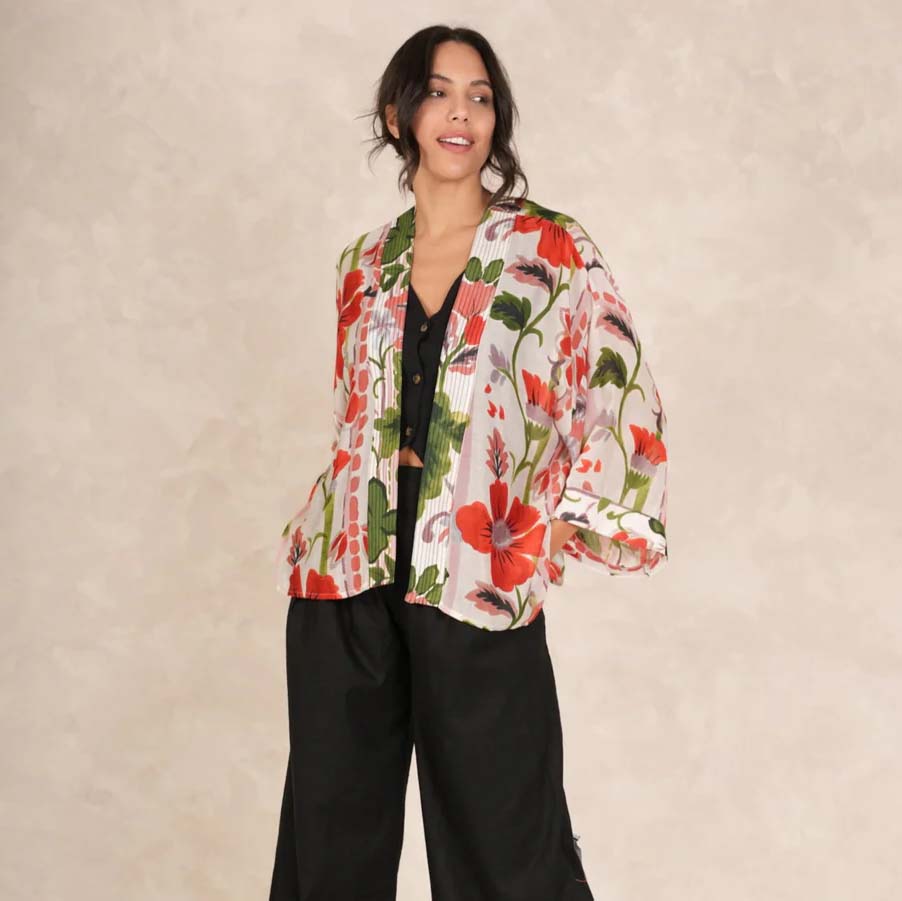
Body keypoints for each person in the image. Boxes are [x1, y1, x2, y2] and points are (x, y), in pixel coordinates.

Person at [269, 23, 669, 901]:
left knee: (508, 840)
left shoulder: (550, 248)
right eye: (440, 94)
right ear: (399, 114)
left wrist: (566, 521)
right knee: (330, 845)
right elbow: (355, 420)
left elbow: (620, 384)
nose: (462, 114)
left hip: (477, 566)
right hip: (348, 574)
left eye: (480, 97)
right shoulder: (362, 264)